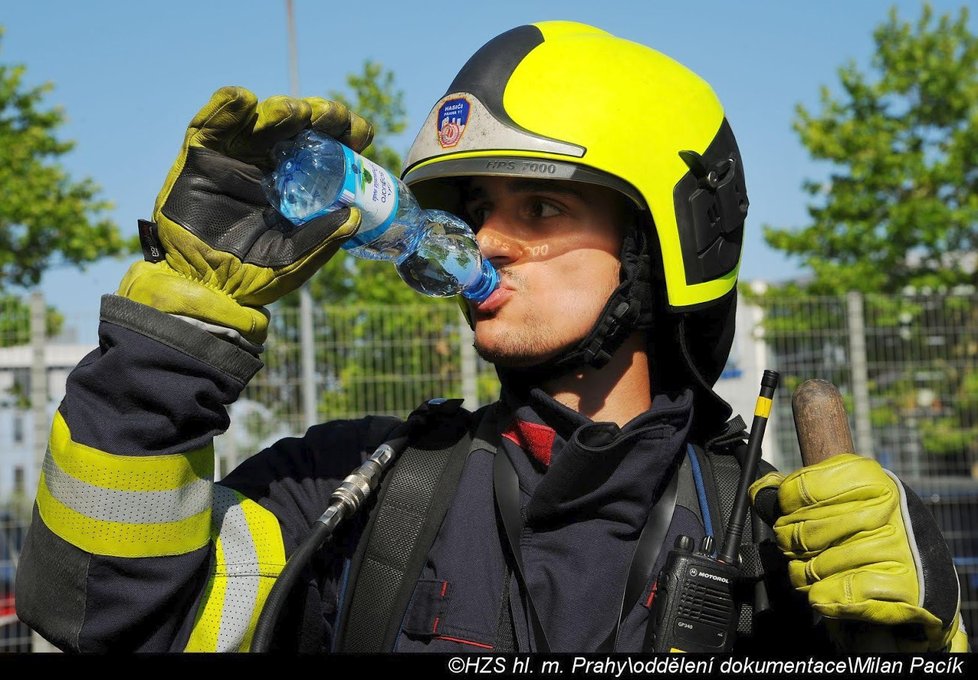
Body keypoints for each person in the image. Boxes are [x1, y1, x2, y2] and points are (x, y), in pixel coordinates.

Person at [15, 21, 967, 653]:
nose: (489, 239)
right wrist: (179, 326)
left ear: (667, 240)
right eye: (477, 206)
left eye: (541, 206)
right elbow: (99, 606)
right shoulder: (354, 491)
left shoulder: (792, 541)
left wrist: (929, 637)